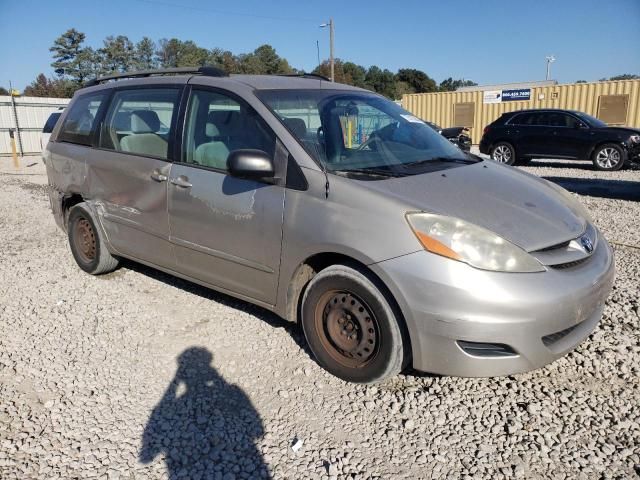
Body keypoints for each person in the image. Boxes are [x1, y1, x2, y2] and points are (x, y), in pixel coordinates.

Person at [140, 347, 269, 479]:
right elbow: (258, 431)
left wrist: (176, 380)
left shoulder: (183, 397)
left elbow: (147, 456)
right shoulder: (230, 389)